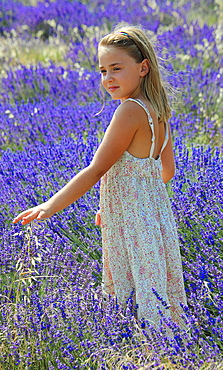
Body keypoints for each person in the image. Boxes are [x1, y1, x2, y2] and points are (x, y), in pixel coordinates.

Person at [13, 23, 187, 329]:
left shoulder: (130, 111)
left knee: (135, 297)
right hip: (155, 220)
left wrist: (49, 206)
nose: (108, 78)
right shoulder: (159, 110)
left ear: (143, 67)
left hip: (134, 225)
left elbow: (96, 170)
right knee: (157, 292)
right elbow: (167, 171)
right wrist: (126, 199)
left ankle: (146, 355)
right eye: (103, 71)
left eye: (116, 68)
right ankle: (168, 353)